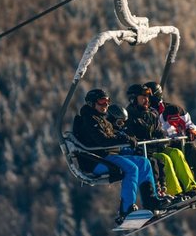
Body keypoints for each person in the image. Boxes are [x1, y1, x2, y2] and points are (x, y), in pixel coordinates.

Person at [72, 88, 169, 224]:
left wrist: (124, 136)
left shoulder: (100, 119)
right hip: (95, 161)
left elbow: (112, 134)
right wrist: (123, 140)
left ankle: (151, 201)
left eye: (107, 101)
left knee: (144, 162)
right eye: (102, 102)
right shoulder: (88, 120)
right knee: (131, 168)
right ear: (91, 103)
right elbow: (103, 140)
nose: (105, 105)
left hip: (107, 156)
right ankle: (126, 210)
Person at [123, 84, 196, 198]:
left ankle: (191, 188)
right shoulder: (130, 117)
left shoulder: (151, 113)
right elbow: (131, 137)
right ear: (133, 99)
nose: (147, 100)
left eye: (147, 97)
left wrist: (160, 140)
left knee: (176, 153)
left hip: (157, 147)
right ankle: (175, 192)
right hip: (146, 151)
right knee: (165, 159)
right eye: (143, 97)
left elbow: (160, 132)